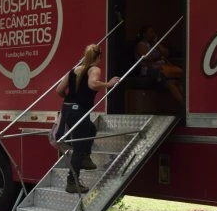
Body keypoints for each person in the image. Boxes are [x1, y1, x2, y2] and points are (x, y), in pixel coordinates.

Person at [55, 44, 120, 194]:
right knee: (78, 147)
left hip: (67, 109)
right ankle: (72, 182)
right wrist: (108, 84)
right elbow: (92, 84)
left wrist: (69, 100)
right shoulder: (94, 69)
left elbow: (59, 90)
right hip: (79, 111)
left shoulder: (74, 70)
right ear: (99, 57)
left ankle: (85, 157)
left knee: (91, 129)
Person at [135, 27, 184, 105]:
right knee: (170, 83)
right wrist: (159, 57)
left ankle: (188, 102)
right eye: (151, 32)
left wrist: (157, 43)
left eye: (153, 32)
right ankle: (184, 104)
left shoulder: (155, 44)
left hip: (164, 68)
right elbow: (147, 57)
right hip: (150, 69)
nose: (153, 34)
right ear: (144, 34)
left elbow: (166, 53)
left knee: (179, 82)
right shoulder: (141, 45)